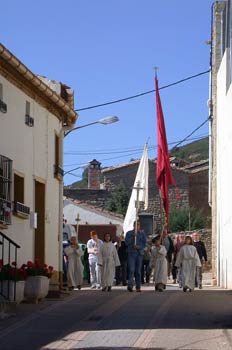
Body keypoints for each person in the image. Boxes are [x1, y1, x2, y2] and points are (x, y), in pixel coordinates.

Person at [125, 220, 147, 292]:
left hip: (139, 254)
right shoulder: (129, 233)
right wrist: (132, 237)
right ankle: (130, 286)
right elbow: (126, 243)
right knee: (131, 270)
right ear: (133, 225)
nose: (137, 226)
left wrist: (139, 247)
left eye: (138, 225)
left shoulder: (142, 234)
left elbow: (144, 244)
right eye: (135, 225)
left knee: (138, 271)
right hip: (131, 253)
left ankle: (138, 286)